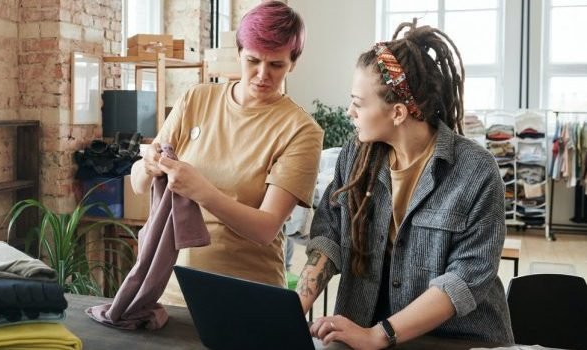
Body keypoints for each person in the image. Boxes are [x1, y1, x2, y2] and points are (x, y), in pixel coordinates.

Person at [296, 21, 514, 349]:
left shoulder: (475, 171)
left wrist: (378, 335)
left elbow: (462, 282)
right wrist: (292, 309)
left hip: (458, 339)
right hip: (367, 326)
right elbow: (330, 237)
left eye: (358, 102)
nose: (349, 111)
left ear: (398, 113)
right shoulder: (356, 156)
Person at [130, 1, 323, 306]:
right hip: (169, 289)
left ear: (293, 63)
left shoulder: (301, 131)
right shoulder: (196, 99)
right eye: (253, 60)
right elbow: (138, 183)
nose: (262, 74)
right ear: (238, 53)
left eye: (276, 65)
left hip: (245, 297)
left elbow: (265, 228)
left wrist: (202, 190)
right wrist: (149, 164)